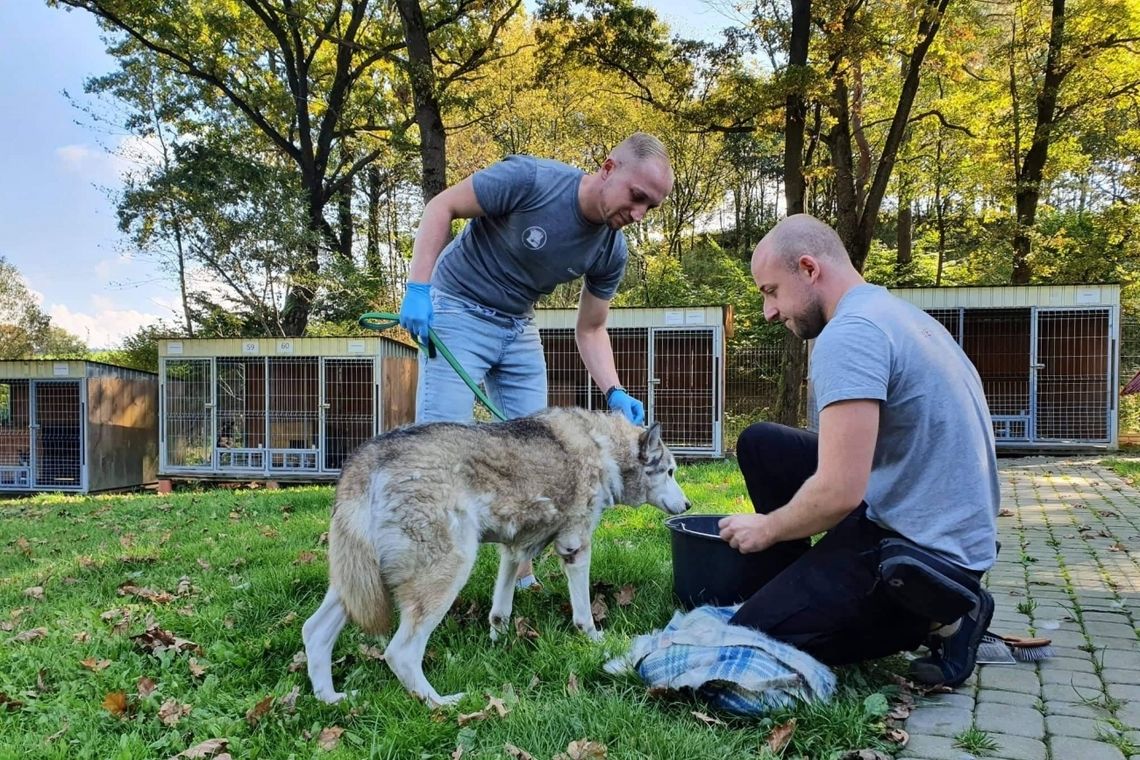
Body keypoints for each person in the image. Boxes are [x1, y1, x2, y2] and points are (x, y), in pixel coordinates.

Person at [717, 213, 999, 687]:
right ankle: (793, 581)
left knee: (755, 636)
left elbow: (837, 493)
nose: (769, 311)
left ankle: (944, 615)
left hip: (926, 555)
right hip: (914, 505)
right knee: (763, 443)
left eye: (771, 291)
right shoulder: (897, 314)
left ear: (809, 269)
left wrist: (766, 528)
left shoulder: (850, 335)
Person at [398, 132, 675, 587]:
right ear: (609, 168)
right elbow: (441, 207)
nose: (639, 213)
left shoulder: (611, 249)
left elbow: (590, 327)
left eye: (651, 207)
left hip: (518, 325)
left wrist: (615, 389)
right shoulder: (531, 180)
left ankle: (520, 573)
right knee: (440, 445)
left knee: (538, 453)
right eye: (637, 196)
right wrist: (418, 287)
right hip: (458, 307)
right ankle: (422, 571)